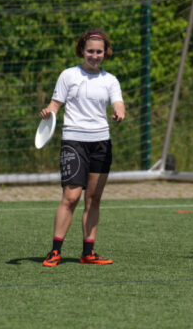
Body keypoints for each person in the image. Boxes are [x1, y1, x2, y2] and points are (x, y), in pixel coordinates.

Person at [40, 28, 125, 267]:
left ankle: (88, 252)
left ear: (105, 53)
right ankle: (55, 250)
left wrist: (119, 112)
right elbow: (55, 104)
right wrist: (48, 113)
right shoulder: (68, 75)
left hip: (101, 143)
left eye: (99, 52)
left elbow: (119, 103)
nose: (94, 55)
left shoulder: (110, 80)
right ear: (82, 50)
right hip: (74, 141)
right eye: (90, 51)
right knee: (71, 196)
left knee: (94, 198)